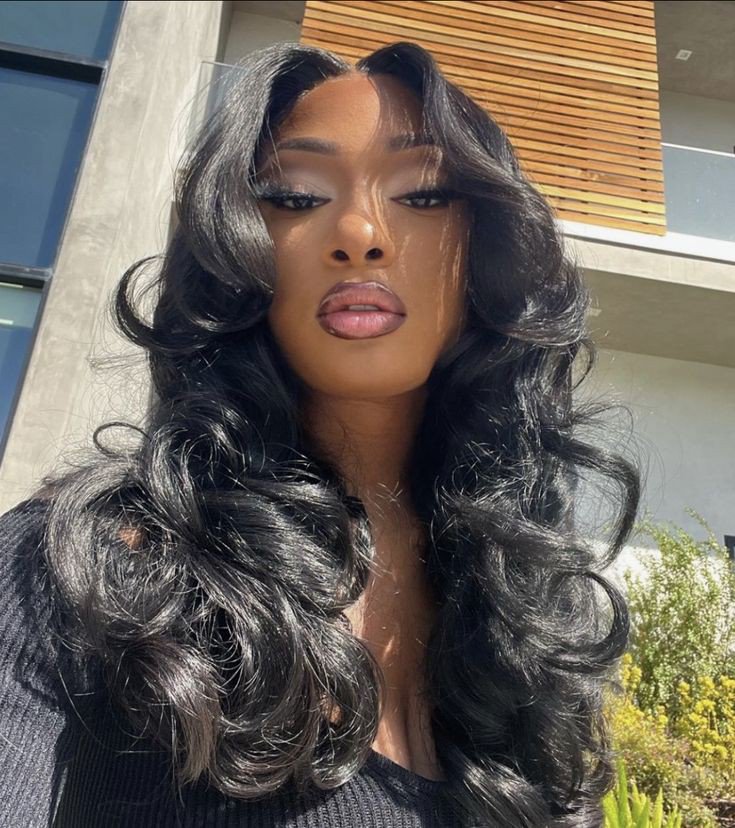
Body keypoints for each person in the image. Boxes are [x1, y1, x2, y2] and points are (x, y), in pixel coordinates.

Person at [0, 40, 640, 827]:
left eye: (424, 193)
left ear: (488, 251)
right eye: (296, 197)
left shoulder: (530, 639)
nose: (360, 231)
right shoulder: (85, 568)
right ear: (239, 251)